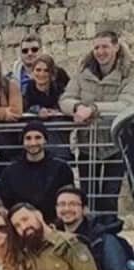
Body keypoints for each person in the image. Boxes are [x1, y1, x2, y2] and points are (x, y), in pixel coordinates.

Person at [59, 30, 134, 217]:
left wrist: (93, 108)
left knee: (109, 196)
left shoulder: (129, 73)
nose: (100, 51)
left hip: (114, 145)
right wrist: (76, 107)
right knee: (87, 196)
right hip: (87, 146)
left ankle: (108, 237)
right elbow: (65, 99)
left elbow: (127, 104)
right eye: (97, 47)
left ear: (116, 47)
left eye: (105, 46)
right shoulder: (83, 72)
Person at [0, 121, 74, 224]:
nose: (33, 143)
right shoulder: (9, 172)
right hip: (20, 227)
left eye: (38, 137)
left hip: (54, 227)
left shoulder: (61, 168)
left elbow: (68, 199)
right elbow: (6, 205)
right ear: (23, 142)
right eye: (28, 138)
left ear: (45, 140)